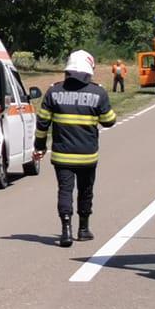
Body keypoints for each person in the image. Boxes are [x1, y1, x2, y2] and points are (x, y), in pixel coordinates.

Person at [34, 50, 117, 248]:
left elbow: (42, 124)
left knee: (65, 191)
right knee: (85, 191)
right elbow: (109, 121)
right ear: (89, 71)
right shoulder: (98, 93)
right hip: (88, 155)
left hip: (62, 156)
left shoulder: (53, 92)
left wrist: (39, 147)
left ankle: (66, 231)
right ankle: (83, 229)